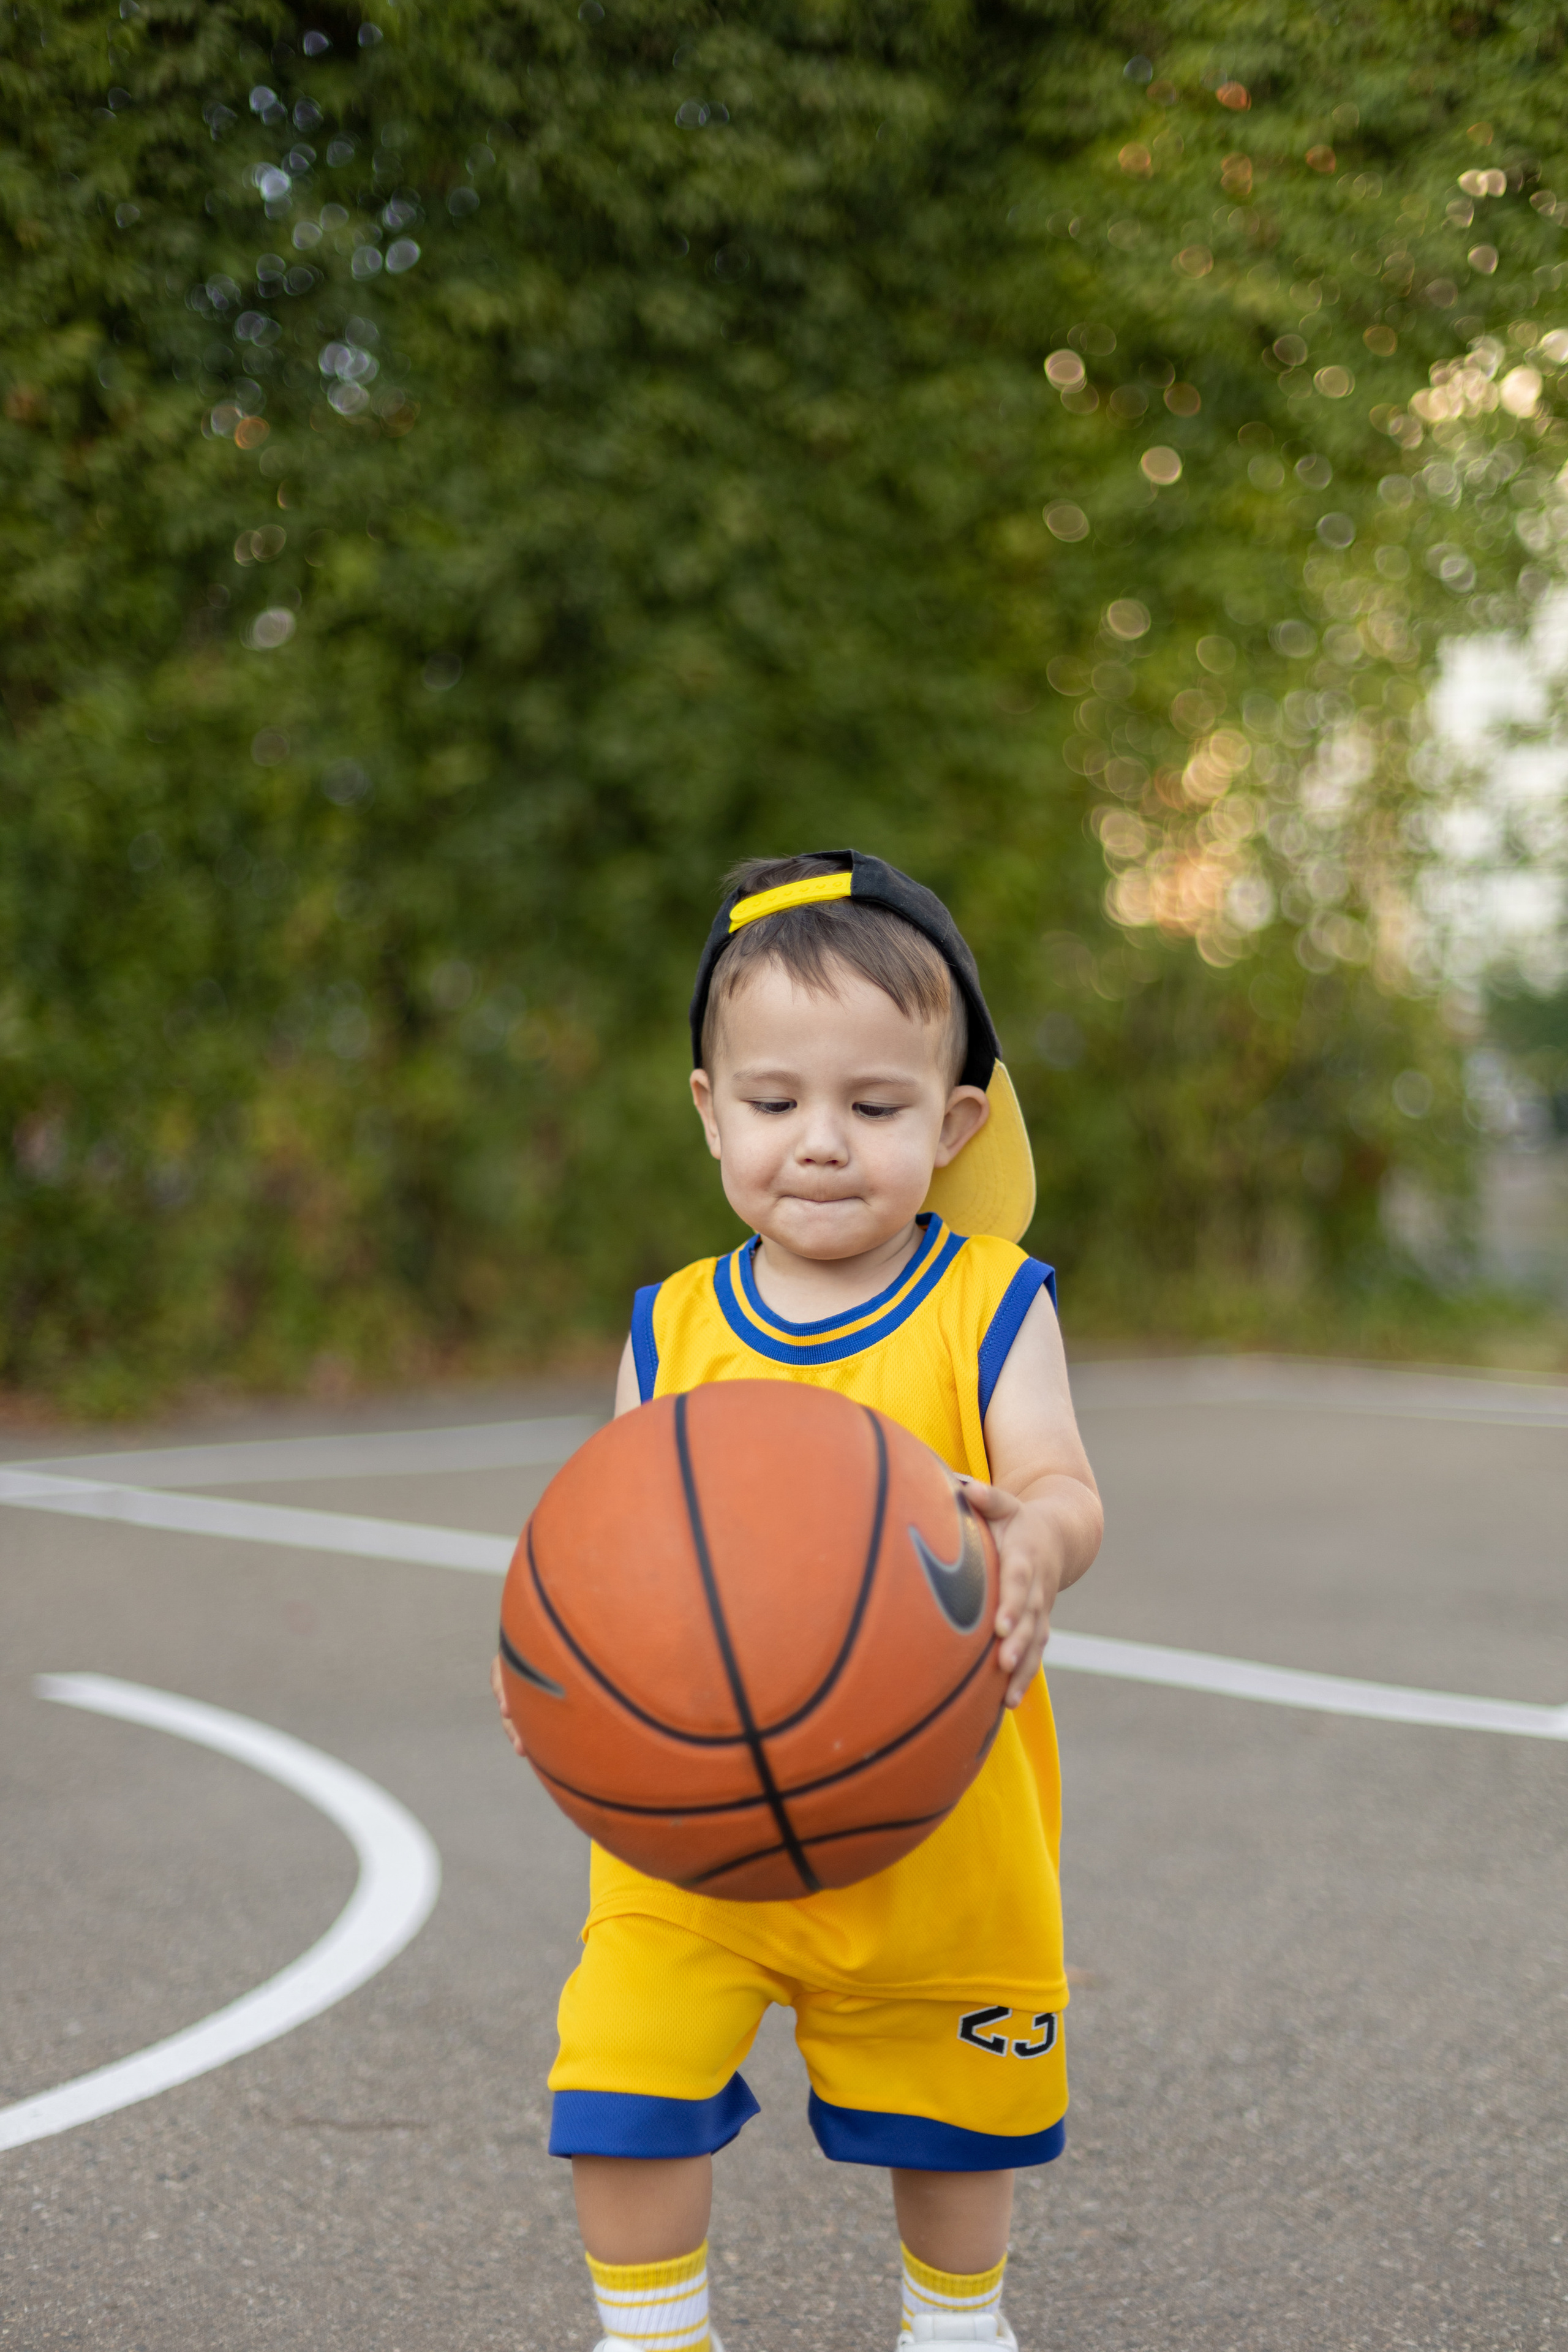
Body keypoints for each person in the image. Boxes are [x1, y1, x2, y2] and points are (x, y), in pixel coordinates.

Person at [493, 849, 1102, 2352]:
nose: (819, 1146)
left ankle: (955, 2328)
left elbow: (1062, 1484)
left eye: (875, 1108)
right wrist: (555, 1685)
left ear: (953, 1121)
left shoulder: (988, 1304)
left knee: (953, 2138)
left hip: (934, 1812)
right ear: (709, 1113)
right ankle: (651, 2337)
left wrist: (1032, 1542)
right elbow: (605, 1559)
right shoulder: (673, 1325)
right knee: (619, 2091)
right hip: (688, 1819)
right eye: (774, 1105)